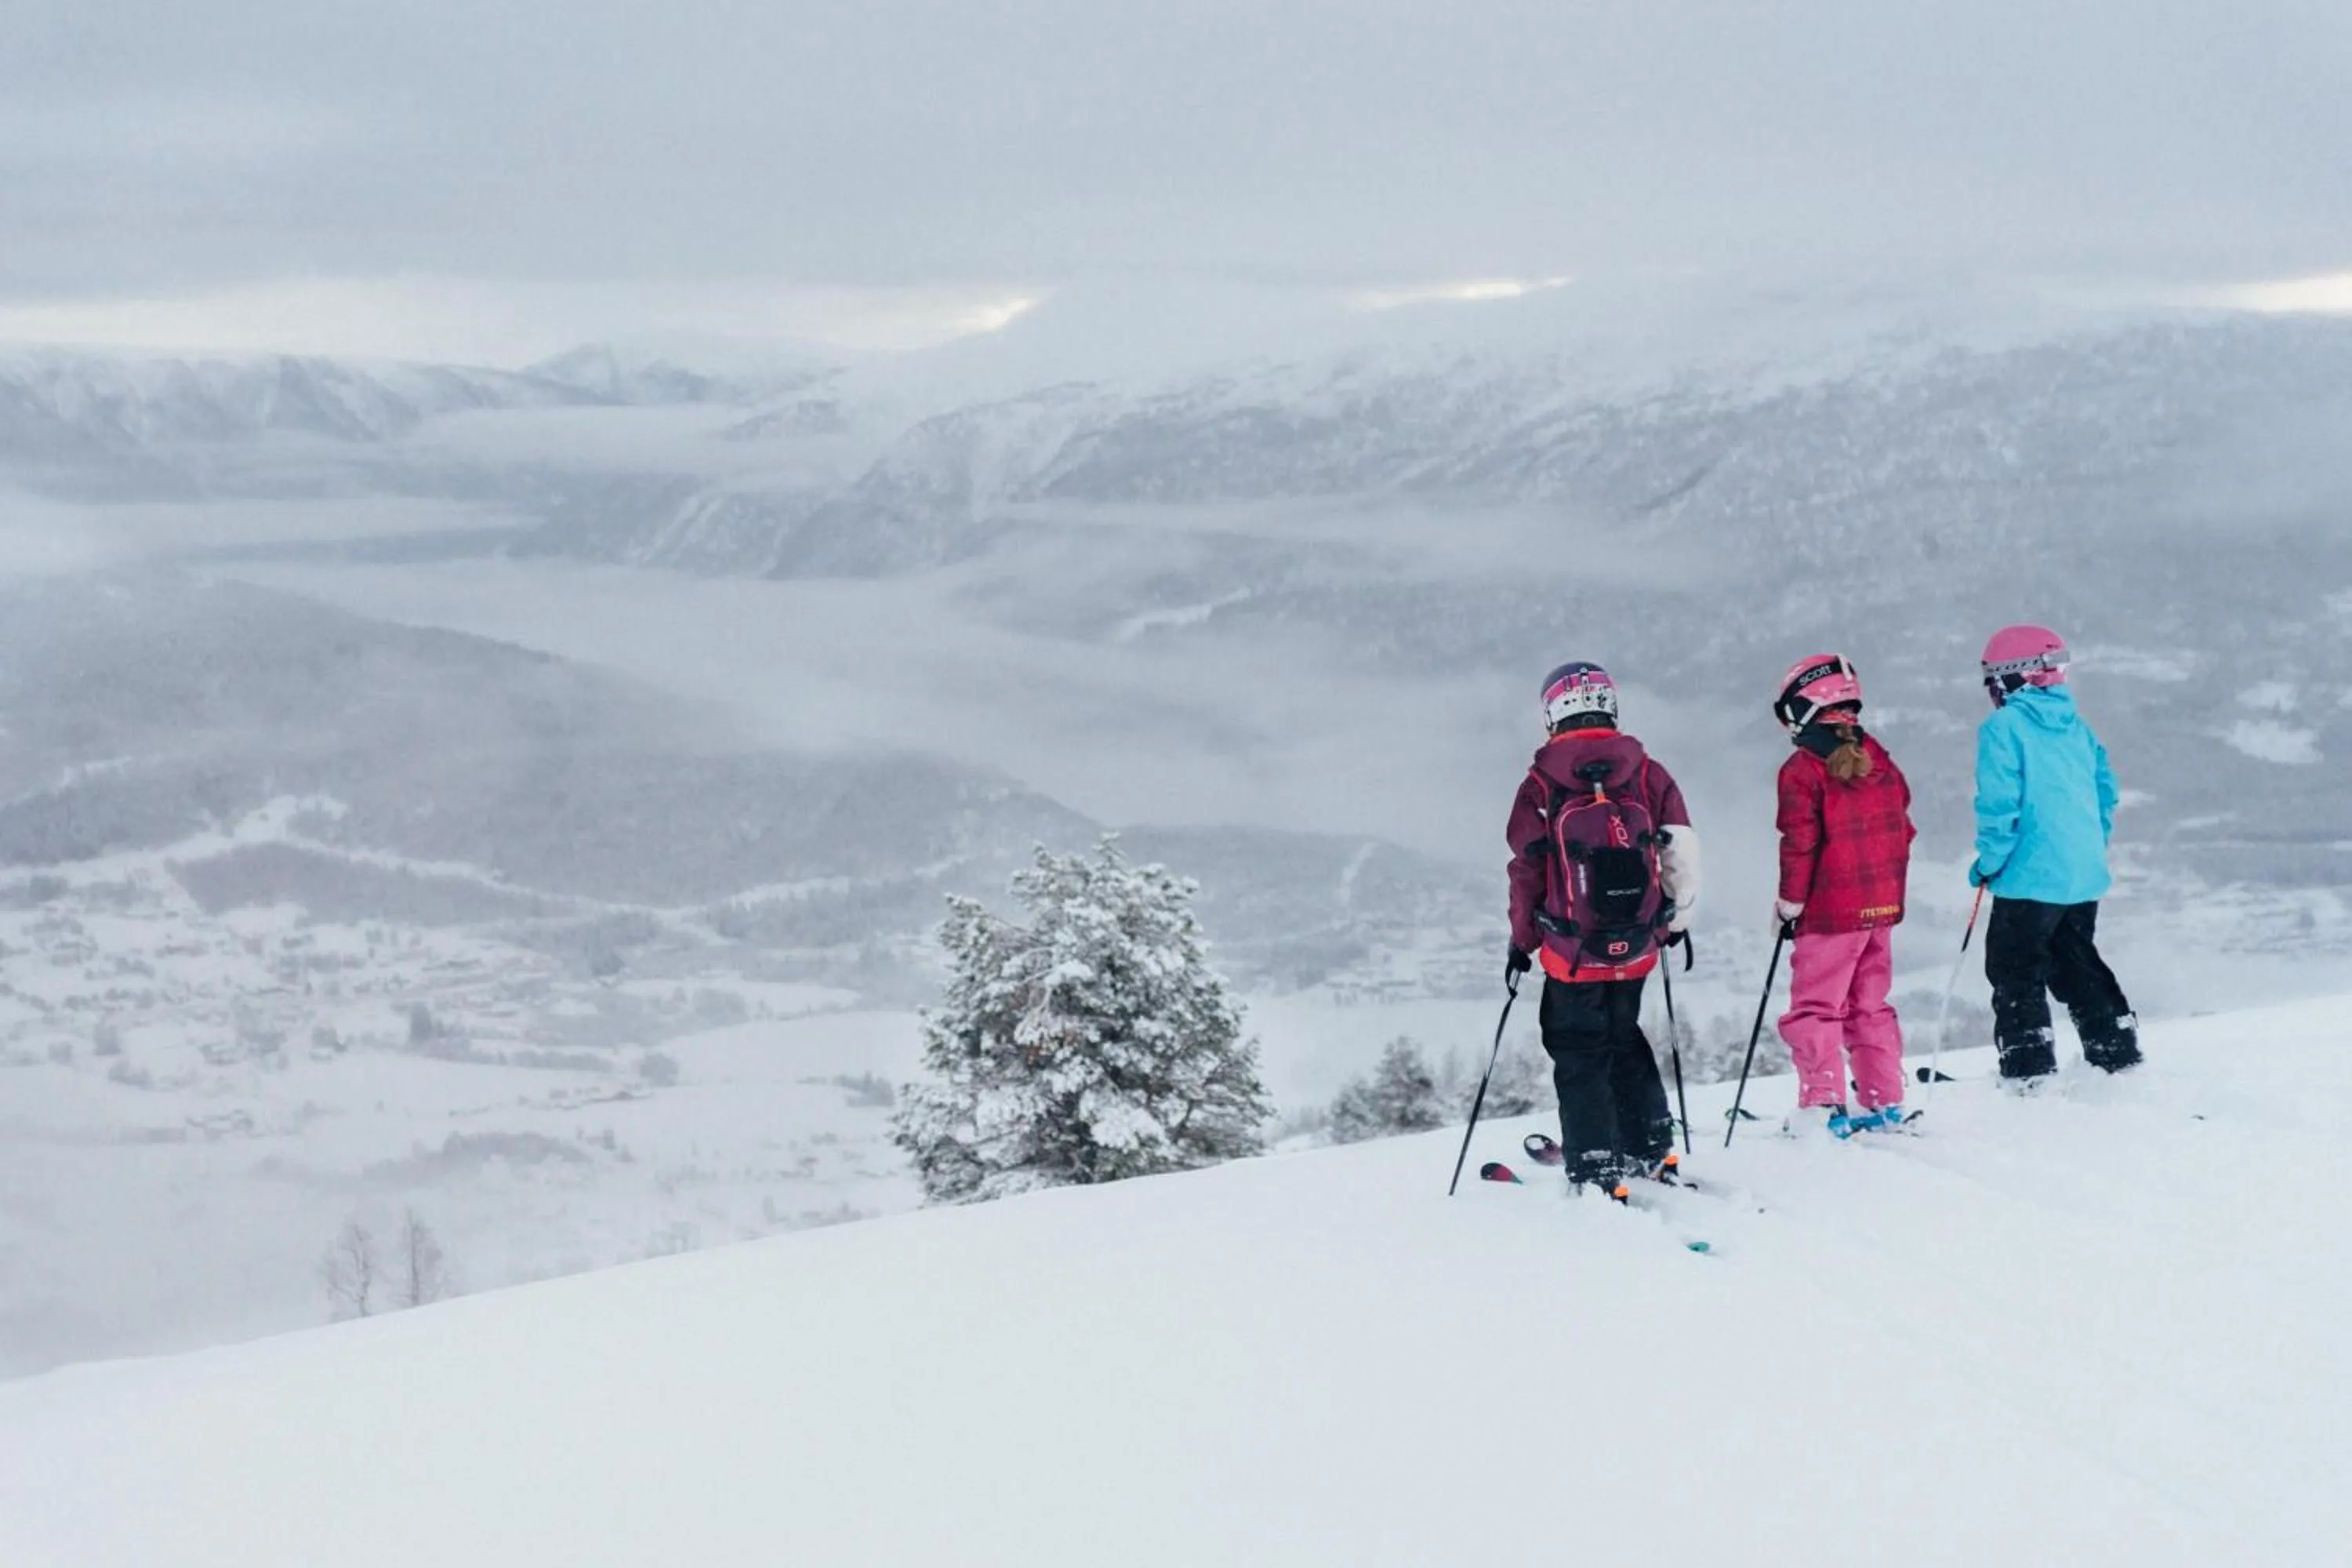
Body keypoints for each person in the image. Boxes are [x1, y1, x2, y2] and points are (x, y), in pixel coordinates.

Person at [1505, 662, 1701, 1196]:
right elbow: (1679, 849)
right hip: (1636, 945)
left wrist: (1523, 941)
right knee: (1625, 1036)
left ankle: (1595, 1162)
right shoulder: (1646, 772)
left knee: (1578, 1048)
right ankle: (1652, 1145)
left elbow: (1527, 869)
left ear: (1553, 715)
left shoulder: (1541, 782)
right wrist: (1675, 921)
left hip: (1571, 952)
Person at [1972, 625, 2142, 1084]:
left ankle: (2029, 1071)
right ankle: (2117, 1053)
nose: (1991, 691)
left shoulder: (2003, 728)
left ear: (2012, 678)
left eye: (1992, 680)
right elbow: (2105, 794)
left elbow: (1999, 807)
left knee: (2014, 968)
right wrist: (2084, 846)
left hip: (2029, 877)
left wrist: (1989, 863)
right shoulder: (2076, 726)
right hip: (2082, 874)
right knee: (2075, 960)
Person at [1769, 654, 1917, 1136]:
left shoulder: (1802, 770)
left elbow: (1800, 844)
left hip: (1830, 914)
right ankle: (1884, 1101)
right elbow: (1903, 830)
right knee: (1869, 1006)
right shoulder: (1880, 760)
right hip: (1881, 910)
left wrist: (1789, 904)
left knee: (1817, 1007)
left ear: (1806, 708)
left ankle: (1823, 1105)